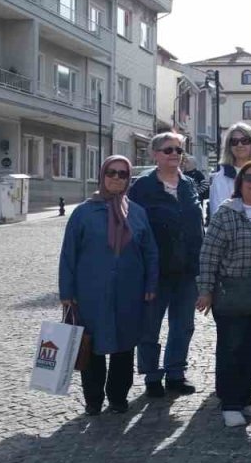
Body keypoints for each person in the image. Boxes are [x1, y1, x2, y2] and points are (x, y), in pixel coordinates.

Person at [60, 155, 158, 415]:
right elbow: (69, 253)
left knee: (124, 346)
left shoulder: (137, 213)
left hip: (129, 290)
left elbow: (150, 252)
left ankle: (118, 397)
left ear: (128, 179)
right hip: (91, 291)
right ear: (102, 175)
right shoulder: (83, 212)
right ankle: (93, 400)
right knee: (92, 346)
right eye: (111, 173)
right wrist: (67, 292)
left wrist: (150, 284)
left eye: (122, 174)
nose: (116, 178)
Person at [196, 159, 251, 427]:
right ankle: (230, 402)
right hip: (234, 291)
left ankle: (246, 399)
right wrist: (206, 291)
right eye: (250, 178)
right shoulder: (227, 212)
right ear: (240, 183)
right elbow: (209, 254)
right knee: (230, 348)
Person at [128, 133, 203, 399]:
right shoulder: (141, 187)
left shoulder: (189, 185)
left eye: (179, 150)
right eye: (168, 149)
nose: (174, 154)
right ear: (155, 154)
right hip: (155, 271)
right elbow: (132, 230)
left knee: (183, 326)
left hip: (187, 270)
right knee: (150, 326)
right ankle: (151, 376)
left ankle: (175, 373)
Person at [209, 123, 251, 220]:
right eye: (234, 142)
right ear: (229, 147)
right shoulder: (221, 177)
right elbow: (217, 213)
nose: (239, 145)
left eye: (245, 141)